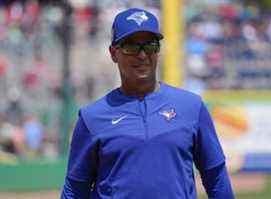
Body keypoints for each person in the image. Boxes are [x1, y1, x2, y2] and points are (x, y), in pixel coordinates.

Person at [61, 8, 235, 199]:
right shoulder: (92, 117)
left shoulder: (191, 107)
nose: (142, 55)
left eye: (150, 45)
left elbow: (216, 176)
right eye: (131, 46)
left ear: (158, 50)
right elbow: (75, 189)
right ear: (113, 53)